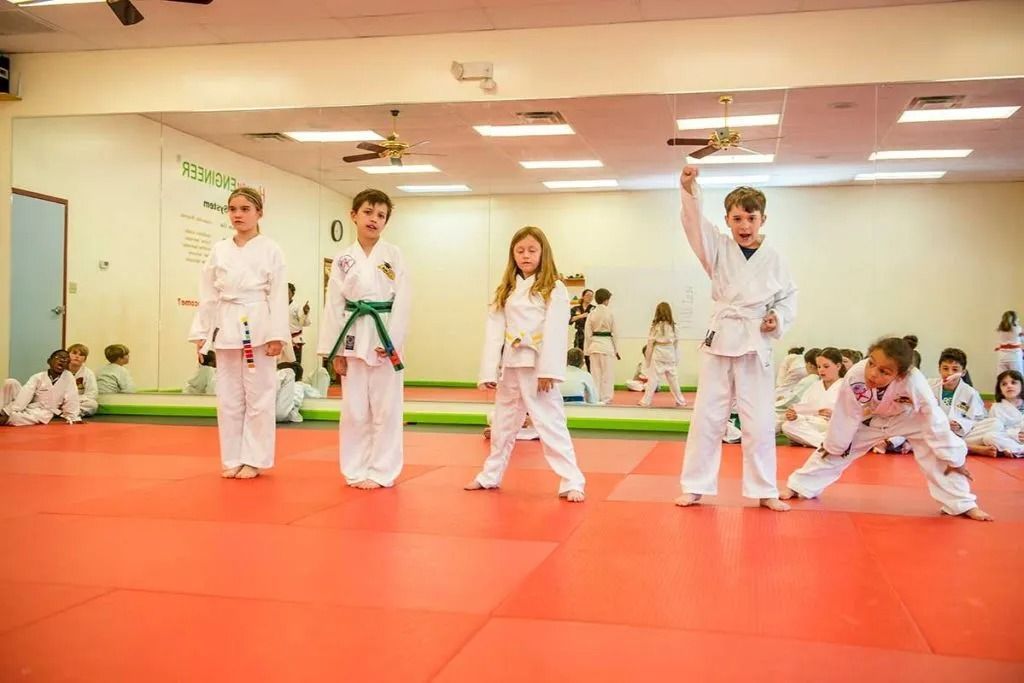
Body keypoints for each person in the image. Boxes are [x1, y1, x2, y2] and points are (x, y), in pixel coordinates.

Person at [674, 165, 797, 511]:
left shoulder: (775, 259)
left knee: (757, 419)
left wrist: (778, 318)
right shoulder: (716, 248)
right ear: (727, 220)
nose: (744, 226)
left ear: (763, 219)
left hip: (756, 341)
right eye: (737, 218)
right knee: (707, 416)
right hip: (721, 338)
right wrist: (688, 186)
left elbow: (789, 297)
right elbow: (693, 222)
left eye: (751, 218)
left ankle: (764, 488)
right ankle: (695, 485)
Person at [782, 337, 992, 521]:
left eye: (884, 371)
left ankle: (962, 503)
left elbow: (934, 419)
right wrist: (835, 444)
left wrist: (952, 457)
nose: (873, 373)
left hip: (909, 418)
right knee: (833, 451)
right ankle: (799, 485)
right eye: (871, 363)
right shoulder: (856, 374)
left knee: (939, 459)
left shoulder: (914, 382)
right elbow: (846, 413)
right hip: (871, 418)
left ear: (900, 375)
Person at [467, 226, 586, 502]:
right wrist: (489, 370)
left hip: (537, 366)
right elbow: (494, 331)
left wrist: (549, 371)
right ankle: (490, 475)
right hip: (510, 364)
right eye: (519, 251)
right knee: (503, 425)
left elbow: (557, 330)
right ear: (513, 255)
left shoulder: (553, 287)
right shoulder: (506, 290)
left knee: (550, 423)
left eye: (532, 250)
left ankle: (571, 479)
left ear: (543, 253)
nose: (525, 255)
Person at [189, 186, 289, 480]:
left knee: (259, 396)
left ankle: (255, 458)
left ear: (259, 213)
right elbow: (207, 293)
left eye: (245, 209)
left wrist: (276, 335)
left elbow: (279, 294)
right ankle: (232, 457)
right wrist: (201, 332)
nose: (238, 215)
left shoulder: (271, 248)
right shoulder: (219, 249)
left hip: (258, 323)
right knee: (228, 397)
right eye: (233, 209)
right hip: (226, 323)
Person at [318, 189, 410, 489]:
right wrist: (333, 352)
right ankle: (355, 468)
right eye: (368, 212)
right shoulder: (344, 259)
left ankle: (383, 470)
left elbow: (404, 301)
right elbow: (333, 304)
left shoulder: (394, 255)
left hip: (383, 332)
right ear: (353, 215)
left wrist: (392, 341)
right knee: (355, 409)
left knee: (386, 408)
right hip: (353, 333)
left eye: (381, 215)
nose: (374, 219)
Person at [780, 347, 844, 448]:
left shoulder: (845, 386)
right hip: (813, 423)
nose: (821, 370)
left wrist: (835, 414)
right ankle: (825, 443)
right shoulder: (815, 386)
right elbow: (802, 409)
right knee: (787, 426)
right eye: (819, 367)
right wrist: (795, 415)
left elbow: (853, 413)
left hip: (834, 425)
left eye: (826, 366)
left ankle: (824, 442)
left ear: (838, 366)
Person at [0, 350, 80, 426]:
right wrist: (10, 410)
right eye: (58, 357)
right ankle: (3, 413)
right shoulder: (38, 377)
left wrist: (73, 417)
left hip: (43, 411)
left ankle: (9, 418)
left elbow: (72, 398)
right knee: (10, 382)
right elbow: (25, 395)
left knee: (40, 416)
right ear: (49, 361)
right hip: (24, 404)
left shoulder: (68, 378)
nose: (62, 361)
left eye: (66, 360)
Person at [964, 370, 1024, 457]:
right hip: (1010, 439)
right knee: (989, 437)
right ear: (1000, 390)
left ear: (1021, 386)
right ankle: (1019, 450)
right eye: (1004, 384)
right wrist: (1015, 434)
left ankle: (1013, 450)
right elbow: (998, 431)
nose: (1009, 386)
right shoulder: (996, 407)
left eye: (1013, 382)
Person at [638, 302, 687, 408]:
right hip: (670, 353)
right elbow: (676, 344)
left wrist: (647, 359)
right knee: (673, 380)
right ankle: (681, 400)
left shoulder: (655, 327)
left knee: (653, 379)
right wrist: (676, 358)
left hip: (658, 353)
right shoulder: (674, 326)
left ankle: (645, 401)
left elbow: (650, 344)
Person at [584, 288, 619, 404]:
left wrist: (588, 349)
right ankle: (606, 398)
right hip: (607, 345)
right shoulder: (610, 313)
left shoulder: (591, 313)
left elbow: (587, 334)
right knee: (607, 374)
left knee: (595, 374)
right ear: (606, 299)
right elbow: (614, 333)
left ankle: (595, 397)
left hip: (594, 346)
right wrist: (616, 350)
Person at [67, 343, 98, 417]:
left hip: (78, 401)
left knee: (92, 405)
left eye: (81, 355)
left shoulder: (88, 373)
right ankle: (68, 412)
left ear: (85, 359)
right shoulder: (60, 370)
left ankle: (69, 413)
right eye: (74, 353)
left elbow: (92, 393)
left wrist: (75, 400)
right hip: (61, 401)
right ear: (67, 355)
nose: (77, 356)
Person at [569, 288, 596, 370]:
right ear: (583, 296)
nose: (590, 297)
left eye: (592, 296)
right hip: (579, 336)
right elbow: (570, 320)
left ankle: (591, 377)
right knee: (577, 357)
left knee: (590, 360)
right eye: (588, 295)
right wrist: (581, 316)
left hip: (590, 336)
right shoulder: (575, 308)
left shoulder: (594, 309)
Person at [288, 283, 312, 365]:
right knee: (283, 366)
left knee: (295, 365)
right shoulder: (279, 306)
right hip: (283, 340)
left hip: (295, 340)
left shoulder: (296, 307)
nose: (286, 295)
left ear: (293, 294)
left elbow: (305, 323)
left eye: (288, 293)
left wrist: (305, 313)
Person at [995, 310, 1024, 375]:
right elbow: (1022, 340)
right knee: (1017, 377)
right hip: (1015, 357)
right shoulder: (1017, 328)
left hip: (1002, 356)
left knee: (1002, 377)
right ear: (1014, 319)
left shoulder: (1000, 329)